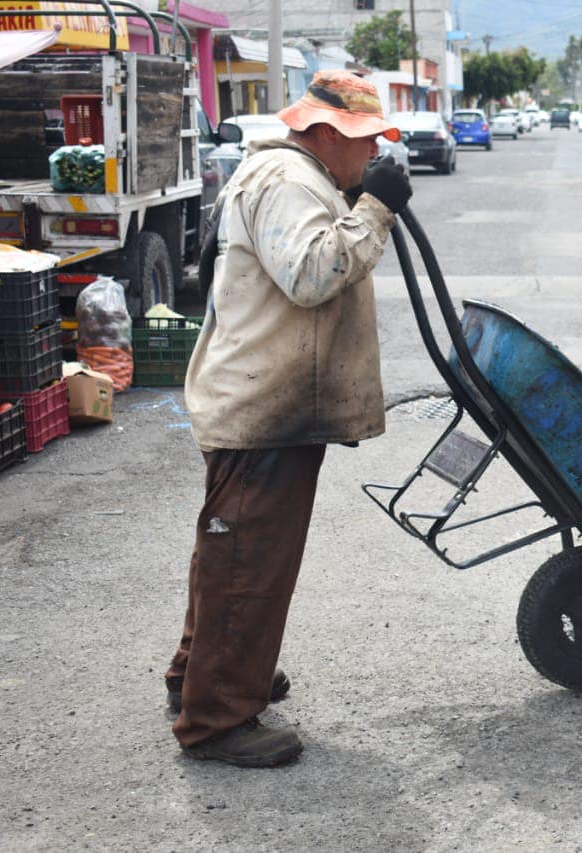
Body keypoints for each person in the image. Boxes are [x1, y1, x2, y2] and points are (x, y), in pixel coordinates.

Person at [162, 70, 413, 767]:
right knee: (246, 558)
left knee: (236, 552)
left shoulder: (305, 176)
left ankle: (206, 673)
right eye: (364, 146)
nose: (370, 157)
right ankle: (215, 717)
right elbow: (311, 273)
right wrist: (375, 211)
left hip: (273, 403)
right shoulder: (286, 180)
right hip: (263, 406)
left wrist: (359, 199)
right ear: (328, 135)